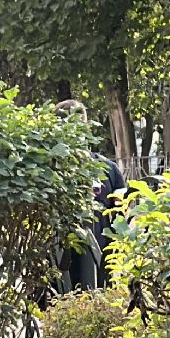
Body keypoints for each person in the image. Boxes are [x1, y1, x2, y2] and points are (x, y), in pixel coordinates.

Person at [52, 99, 126, 295]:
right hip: (63, 258)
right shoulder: (50, 169)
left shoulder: (108, 169)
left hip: (101, 257)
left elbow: (120, 214)